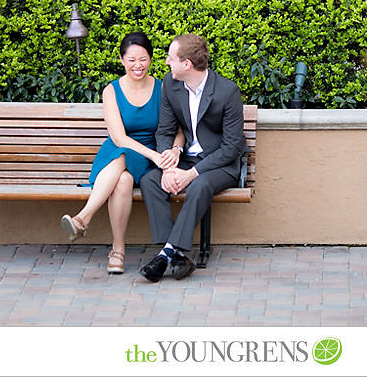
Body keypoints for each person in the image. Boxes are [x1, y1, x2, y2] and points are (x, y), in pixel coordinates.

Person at [60, 32, 184, 274]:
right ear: (121, 60)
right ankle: (117, 250)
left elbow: (180, 129)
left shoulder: (162, 88)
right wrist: (154, 156)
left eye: (143, 59)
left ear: (151, 59)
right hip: (119, 151)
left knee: (125, 163)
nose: (138, 65)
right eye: (131, 60)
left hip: (148, 155)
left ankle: (84, 219)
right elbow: (119, 138)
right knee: (123, 178)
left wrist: (173, 149)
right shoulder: (111, 90)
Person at [138, 34, 245, 282]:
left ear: (187, 64)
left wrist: (190, 174)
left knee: (199, 185)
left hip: (219, 164)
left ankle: (164, 254)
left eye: (170, 58)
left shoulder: (227, 91)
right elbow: (165, 131)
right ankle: (175, 255)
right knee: (149, 180)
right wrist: (167, 167)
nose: (166, 62)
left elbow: (231, 147)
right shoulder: (171, 85)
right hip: (185, 159)